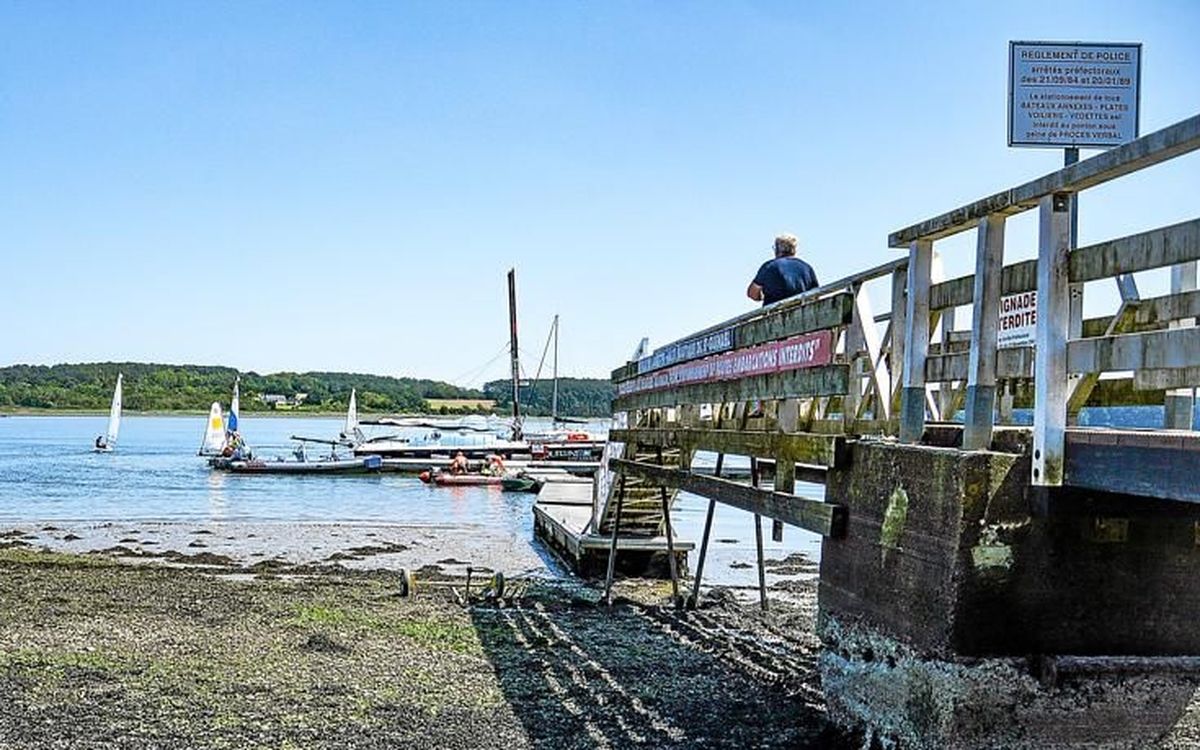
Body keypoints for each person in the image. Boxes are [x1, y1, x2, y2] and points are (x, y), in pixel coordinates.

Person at [746, 233, 819, 306]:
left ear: (777, 249)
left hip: (774, 314)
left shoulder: (769, 267)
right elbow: (815, 294)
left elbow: (752, 293)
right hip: (802, 312)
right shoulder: (807, 268)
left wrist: (761, 297)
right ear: (794, 249)